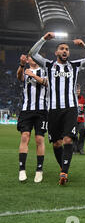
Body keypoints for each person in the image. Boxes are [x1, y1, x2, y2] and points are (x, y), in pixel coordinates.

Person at [29, 32, 85, 185]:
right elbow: (32, 53)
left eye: (67, 49)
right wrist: (43, 39)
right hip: (53, 109)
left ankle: (64, 172)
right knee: (56, 143)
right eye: (61, 48)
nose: (64, 51)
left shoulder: (75, 66)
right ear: (56, 52)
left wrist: (84, 46)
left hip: (70, 109)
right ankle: (64, 165)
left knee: (68, 139)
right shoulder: (48, 65)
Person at [16, 54, 48, 183]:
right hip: (26, 110)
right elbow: (19, 77)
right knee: (24, 137)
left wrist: (33, 75)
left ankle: (39, 170)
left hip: (41, 110)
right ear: (28, 59)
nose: (32, 58)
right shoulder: (25, 69)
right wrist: (22, 66)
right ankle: (22, 169)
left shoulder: (45, 71)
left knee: (39, 139)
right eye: (30, 57)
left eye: (35, 56)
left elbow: (46, 83)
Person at [73, 84, 85, 155]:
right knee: (74, 134)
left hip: (81, 119)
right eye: (77, 90)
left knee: (83, 133)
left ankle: (81, 148)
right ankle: (75, 149)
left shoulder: (82, 98)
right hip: (73, 119)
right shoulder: (72, 98)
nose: (78, 91)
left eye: (79, 90)